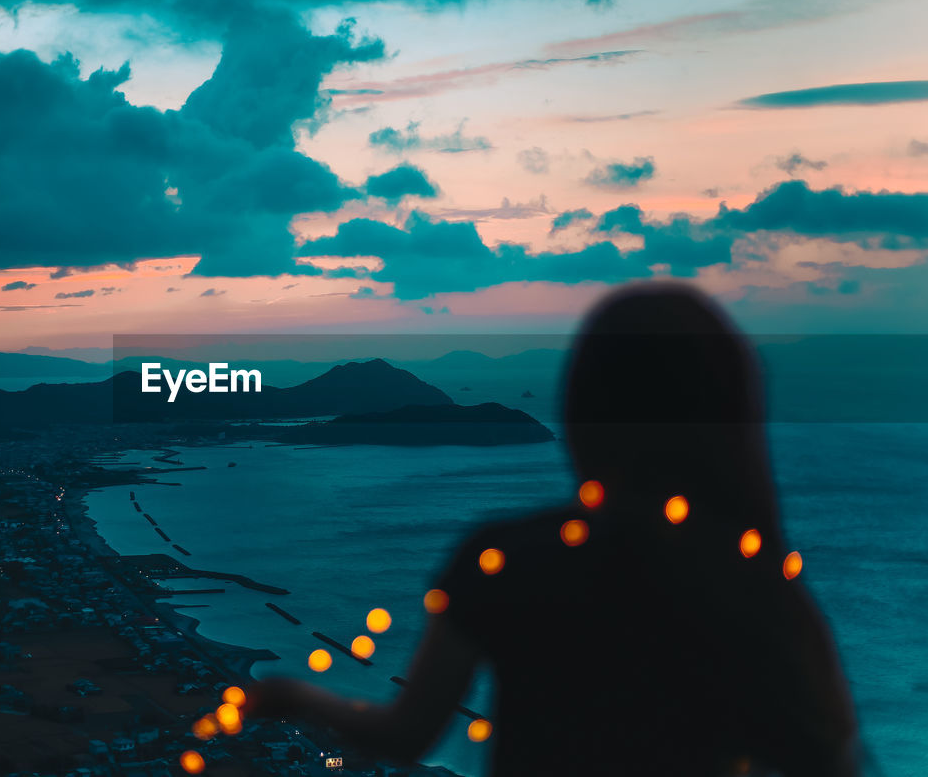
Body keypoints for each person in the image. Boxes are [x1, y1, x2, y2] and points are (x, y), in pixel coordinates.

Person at [245, 282, 862, 776]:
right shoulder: (754, 580)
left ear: (583, 409)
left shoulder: (506, 559)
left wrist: (297, 698)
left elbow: (406, 734)